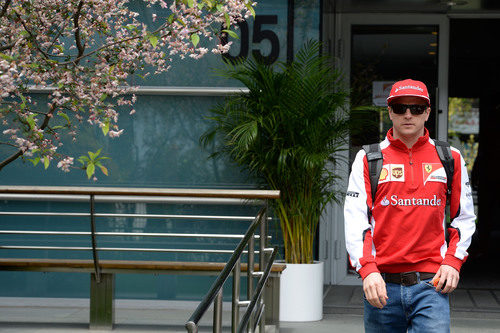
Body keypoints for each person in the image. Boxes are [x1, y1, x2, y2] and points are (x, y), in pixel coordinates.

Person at [344, 79, 476, 332]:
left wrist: (452, 261)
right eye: (400, 107)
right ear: (390, 112)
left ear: (427, 113)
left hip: (431, 285)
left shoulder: (450, 157)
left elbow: (464, 217)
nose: (408, 114)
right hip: (381, 285)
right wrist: (368, 269)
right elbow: (355, 219)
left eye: (416, 108)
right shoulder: (369, 157)